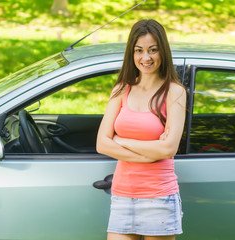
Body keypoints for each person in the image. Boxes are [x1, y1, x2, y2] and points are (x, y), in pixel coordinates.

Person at [96, 19, 186, 240]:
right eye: (139, 50)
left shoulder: (174, 92)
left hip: (159, 197)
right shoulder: (121, 90)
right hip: (123, 194)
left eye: (153, 50)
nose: (146, 58)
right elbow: (101, 143)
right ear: (132, 53)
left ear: (162, 51)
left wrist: (120, 140)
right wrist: (149, 153)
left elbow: (168, 149)